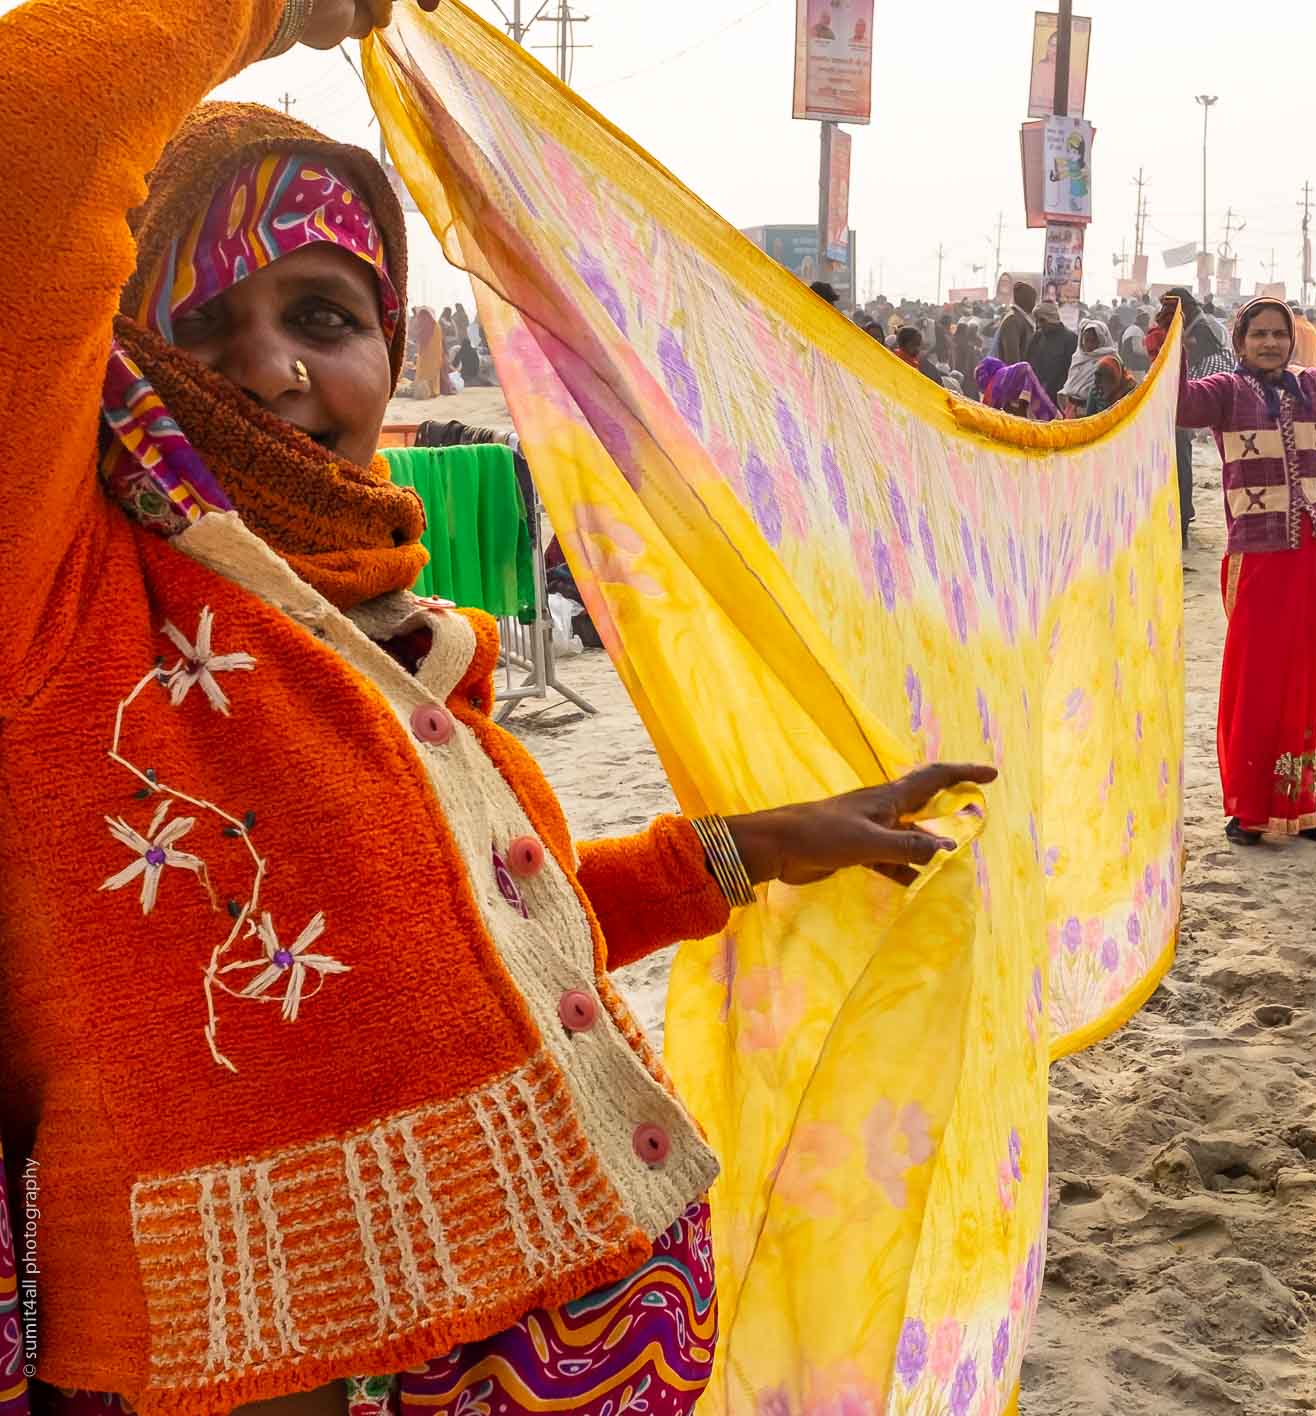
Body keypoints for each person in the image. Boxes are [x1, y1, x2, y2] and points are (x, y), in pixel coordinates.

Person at [0, 4, 998, 1411]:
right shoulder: (58, 592)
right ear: (111, 349)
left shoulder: (407, 631)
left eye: (328, 319)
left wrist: (745, 853)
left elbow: (450, 942)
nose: (280, 369)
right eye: (205, 322)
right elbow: (26, 141)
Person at [1170, 293, 1316, 845]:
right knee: (1259, 679)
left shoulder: (1315, 387)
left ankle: (1302, 805)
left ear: (1292, 340)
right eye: (1258, 334)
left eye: (1279, 333)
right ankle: (1249, 809)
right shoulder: (1223, 393)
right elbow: (1174, 406)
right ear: (1239, 342)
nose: (1270, 343)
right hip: (1259, 556)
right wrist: (1170, 343)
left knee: (1312, 671)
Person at [1025, 301, 1076, 410]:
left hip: (1057, 400)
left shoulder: (1070, 339)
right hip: (1036, 398)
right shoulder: (1037, 337)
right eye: (1037, 321)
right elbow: (1028, 364)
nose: (1039, 325)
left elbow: (1072, 372)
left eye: (1042, 320)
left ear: (1052, 318)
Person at [973, 356, 1058, 419]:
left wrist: (1022, 403)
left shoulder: (993, 386)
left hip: (1024, 397)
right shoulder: (999, 380)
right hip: (1031, 398)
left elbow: (988, 415)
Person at [1058, 318, 1111, 414]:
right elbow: (1071, 384)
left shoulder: (1108, 361)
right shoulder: (1078, 358)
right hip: (1072, 411)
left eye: (1094, 340)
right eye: (1087, 340)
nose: (1089, 345)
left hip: (1094, 414)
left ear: (1102, 340)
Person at [996, 280, 1036, 364]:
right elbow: (1012, 360)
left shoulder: (1020, 318)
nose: (1034, 303)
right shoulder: (1013, 320)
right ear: (1025, 299)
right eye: (1033, 299)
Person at [1290, 302, 1316, 367]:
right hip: (1312, 371)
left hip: (1297, 371)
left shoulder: (1292, 327)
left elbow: (1292, 351)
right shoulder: (1312, 328)